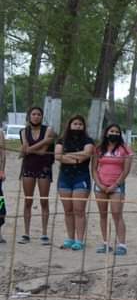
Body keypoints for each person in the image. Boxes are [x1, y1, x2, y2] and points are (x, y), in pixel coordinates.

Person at [92, 124, 134, 256]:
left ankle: (122, 244)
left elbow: (126, 170)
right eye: (111, 131)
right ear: (106, 133)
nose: (114, 133)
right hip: (100, 186)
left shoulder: (125, 149)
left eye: (117, 131)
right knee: (103, 214)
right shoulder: (99, 149)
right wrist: (100, 184)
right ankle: (106, 243)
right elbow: (93, 169)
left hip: (117, 186)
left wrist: (115, 185)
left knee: (117, 214)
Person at [54, 115, 94, 251]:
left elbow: (87, 154)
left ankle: (80, 240)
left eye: (80, 124)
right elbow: (57, 156)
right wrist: (77, 158)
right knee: (68, 210)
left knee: (79, 210)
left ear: (84, 126)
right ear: (69, 125)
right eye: (75, 123)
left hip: (81, 178)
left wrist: (68, 156)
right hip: (64, 178)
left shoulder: (88, 140)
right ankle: (70, 238)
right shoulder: (61, 140)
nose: (77, 126)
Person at [18, 106, 56, 245]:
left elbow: (42, 152)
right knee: (28, 201)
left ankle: (44, 234)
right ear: (29, 116)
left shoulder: (49, 130)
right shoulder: (23, 131)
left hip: (44, 167)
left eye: (39, 114)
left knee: (44, 201)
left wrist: (28, 150)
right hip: (28, 167)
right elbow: (25, 150)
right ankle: (26, 233)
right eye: (33, 114)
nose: (36, 116)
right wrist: (42, 143)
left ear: (42, 116)